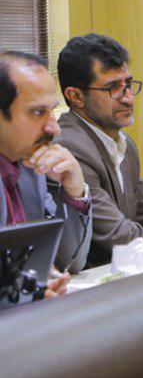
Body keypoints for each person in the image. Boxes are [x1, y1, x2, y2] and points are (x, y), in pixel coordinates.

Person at [54, 33, 143, 265]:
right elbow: (118, 236)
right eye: (113, 88)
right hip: (88, 279)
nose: (129, 98)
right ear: (76, 96)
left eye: (128, 84)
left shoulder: (124, 143)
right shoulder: (68, 146)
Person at [0, 49, 91, 285]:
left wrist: (75, 192)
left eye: (53, 111)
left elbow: (69, 261)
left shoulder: (30, 164)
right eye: (38, 112)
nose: (55, 129)